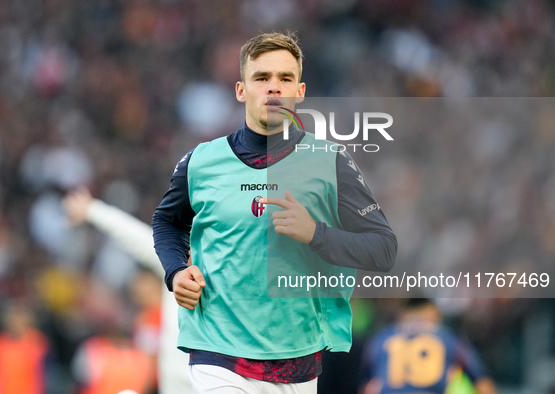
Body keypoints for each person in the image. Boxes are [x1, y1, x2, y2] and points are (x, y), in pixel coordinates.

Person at [152, 31, 397, 393]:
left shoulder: (330, 162)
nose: (273, 88)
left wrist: (316, 233)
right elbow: (167, 222)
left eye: (285, 79)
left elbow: (383, 249)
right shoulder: (200, 162)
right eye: (262, 78)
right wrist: (175, 271)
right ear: (241, 90)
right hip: (217, 350)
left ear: (299, 92)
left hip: (297, 359)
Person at [62, 188, 191, 394]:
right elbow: (139, 238)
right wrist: (94, 211)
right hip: (174, 384)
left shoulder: (224, 270)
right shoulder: (175, 263)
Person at [359, 298, 497, 394]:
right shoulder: (448, 338)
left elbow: (368, 386)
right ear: (433, 313)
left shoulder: (380, 339)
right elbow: (482, 382)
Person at [0, 302, 50, 394]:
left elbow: (39, 370)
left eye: (20, 320)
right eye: (13, 320)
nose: (16, 323)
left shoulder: (35, 341)